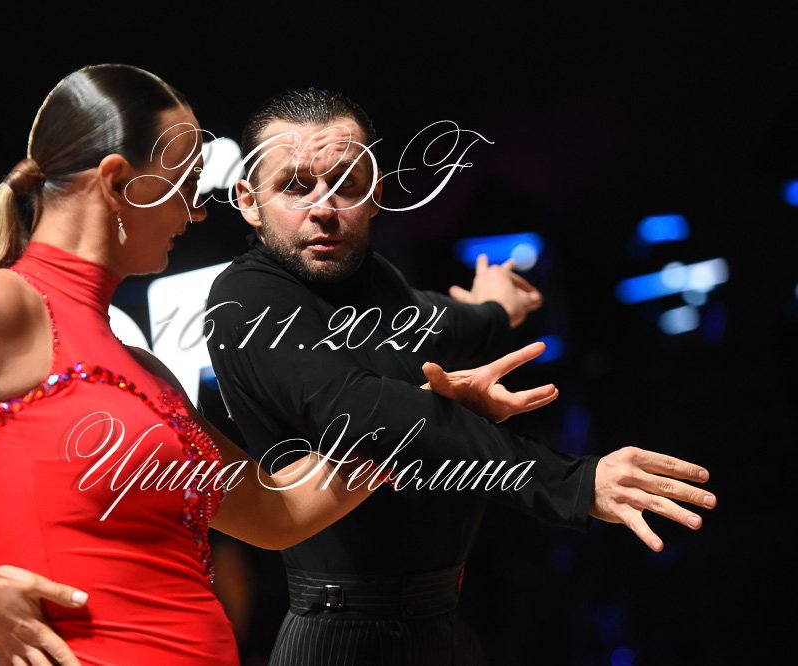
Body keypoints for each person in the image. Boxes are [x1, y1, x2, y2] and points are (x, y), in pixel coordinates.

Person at [0, 66, 531, 666]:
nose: (197, 211)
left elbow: (274, 513)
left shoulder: (143, 371)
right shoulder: (5, 307)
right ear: (119, 181)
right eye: (185, 182)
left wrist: (435, 412)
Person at [205, 87, 718, 665]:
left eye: (345, 183)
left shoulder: (375, 279)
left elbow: (442, 322)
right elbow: (365, 412)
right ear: (249, 201)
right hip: (343, 635)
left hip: (438, 621)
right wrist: (569, 482)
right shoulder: (247, 298)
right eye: (295, 186)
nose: (323, 206)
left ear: (375, 196)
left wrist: (496, 308)